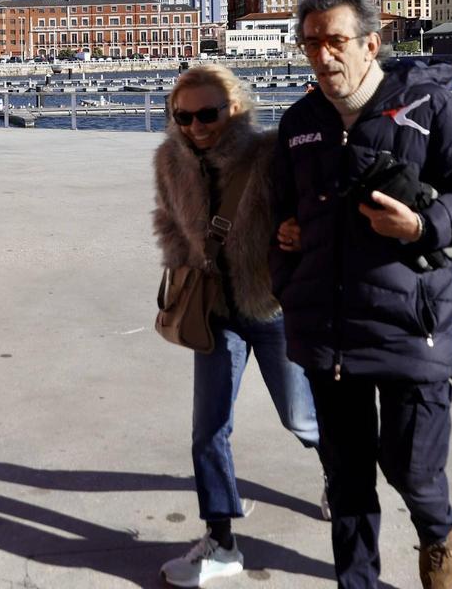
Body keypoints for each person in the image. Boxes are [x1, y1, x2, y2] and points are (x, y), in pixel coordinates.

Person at [272, 0, 452, 589]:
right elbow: (276, 216)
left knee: (414, 470)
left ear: (371, 44)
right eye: (310, 43)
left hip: (413, 330)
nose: (322, 55)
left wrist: (423, 226)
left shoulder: (427, 106)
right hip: (328, 335)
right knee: (347, 481)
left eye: (335, 41)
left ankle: (437, 534)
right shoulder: (300, 123)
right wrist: (287, 261)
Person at [153, 65, 325, 588]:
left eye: (208, 114)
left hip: (269, 308)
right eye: (183, 116)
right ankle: (221, 538)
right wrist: (183, 262)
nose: (196, 126)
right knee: (209, 431)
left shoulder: (270, 156)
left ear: (236, 109)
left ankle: (338, 475)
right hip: (212, 312)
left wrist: (294, 240)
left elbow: (308, 213)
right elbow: (166, 217)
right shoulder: (169, 160)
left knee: (300, 418)